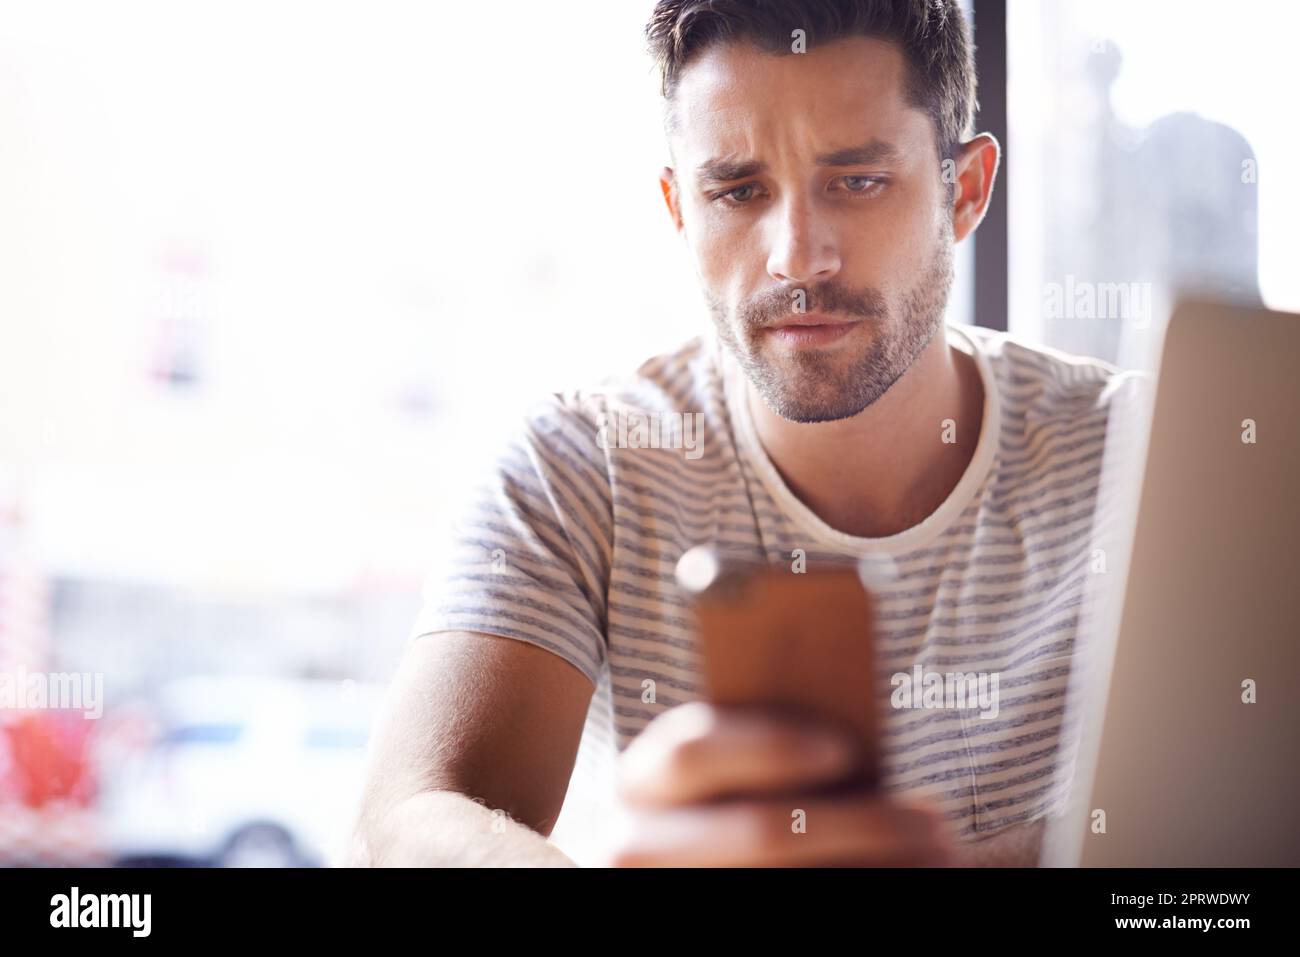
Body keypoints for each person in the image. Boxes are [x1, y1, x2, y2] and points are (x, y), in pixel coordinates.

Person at [348, 0, 1147, 867]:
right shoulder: (581, 465)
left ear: (966, 190)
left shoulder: (1153, 458)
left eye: (858, 180)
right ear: (679, 210)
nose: (798, 258)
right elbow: (399, 825)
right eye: (737, 191)